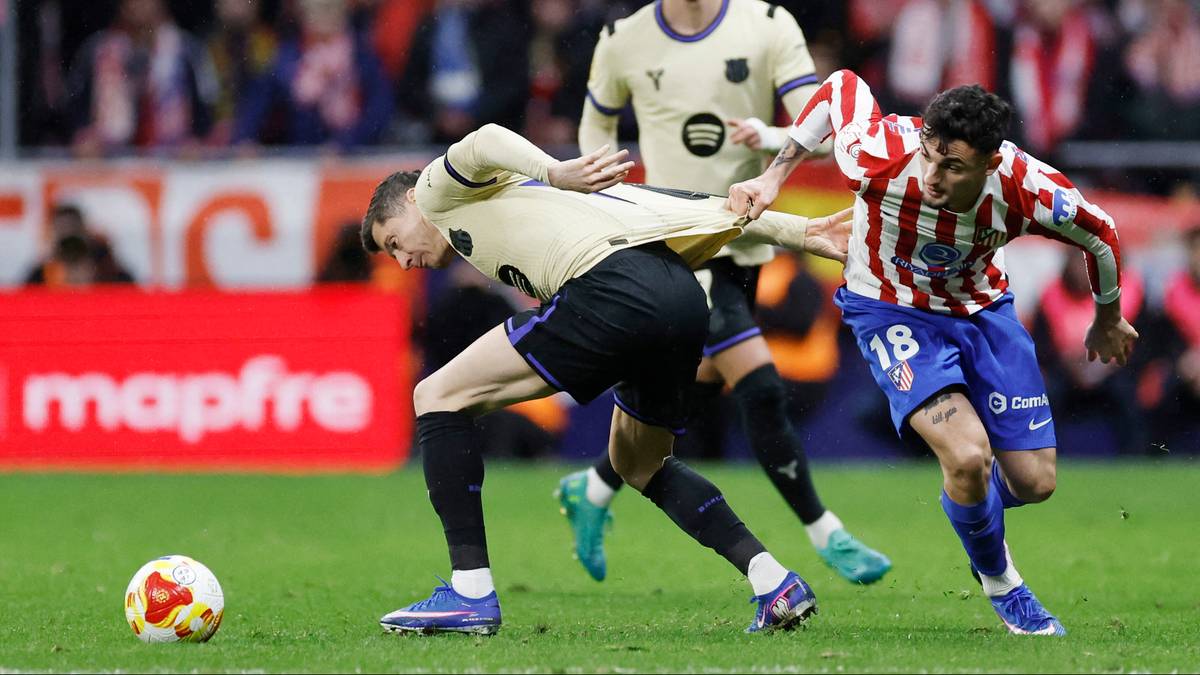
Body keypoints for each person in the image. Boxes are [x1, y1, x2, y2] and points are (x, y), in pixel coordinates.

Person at [360, 122, 852, 635]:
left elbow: (482, 139)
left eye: (394, 240)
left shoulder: (438, 193)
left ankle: (470, 594)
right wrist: (804, 232)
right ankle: (774, 582)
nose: (403, 260)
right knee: (638, 461)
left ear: (413, 200)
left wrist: (555, 169)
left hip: (611, 289)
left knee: (436, 395)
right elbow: (701, 208)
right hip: (681, 299)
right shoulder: (548, 204)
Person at [726, 69, 1137, 635]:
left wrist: (1108, 315)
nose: (933, 176)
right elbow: (841, 87)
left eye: (953, 166)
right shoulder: (880, 151)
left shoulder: (1027, 188)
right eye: (930, 156)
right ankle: (1004, 585)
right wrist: (774, 177)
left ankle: (972, 512)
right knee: (967, 457)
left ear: (991, 164)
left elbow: (1103, 231)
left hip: (982, 311)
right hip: (890, 311)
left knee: (1035, 483)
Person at [563, 0, 891, 586]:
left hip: (745, 242)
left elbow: (818, 132)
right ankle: (825, 532)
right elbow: (596, 127)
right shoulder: (623, 38)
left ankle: (592, 485)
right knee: (760, 385)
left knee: (690, 389)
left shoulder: (767, 25)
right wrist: (602, 189)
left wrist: (769, 136)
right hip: (675, 242)